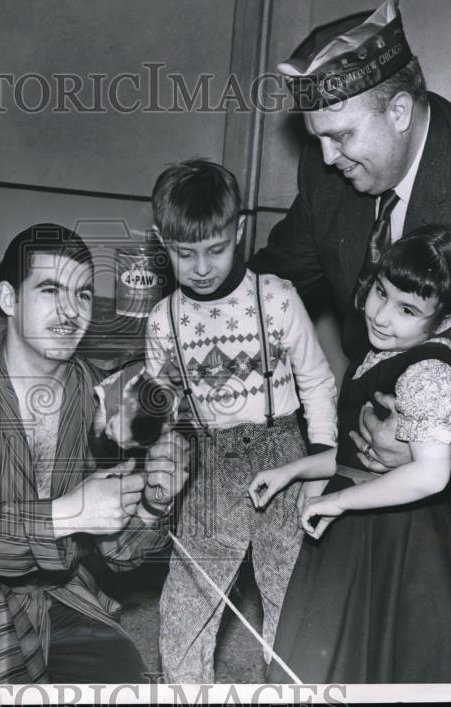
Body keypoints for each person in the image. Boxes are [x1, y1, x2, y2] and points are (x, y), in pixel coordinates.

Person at [249, 0, 451, 681]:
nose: (325, 158)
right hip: (370, 477)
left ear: (400, 111)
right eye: (317, 138)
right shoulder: (330, 177)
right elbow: (274, 280)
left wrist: (437, 440)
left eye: (342, 137)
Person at [0, 223, 191, 685]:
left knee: (128, 684)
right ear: (8, 297)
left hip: (55, 593)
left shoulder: (100, 399)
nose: (70, 311)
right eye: (50, 290)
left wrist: (155, 502)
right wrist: (65, 514)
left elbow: (120, 554)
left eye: (83, 295)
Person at [253, 225, 451, 682]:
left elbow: (430, 476)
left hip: (394, 533)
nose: (381, 316)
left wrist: (336, 501)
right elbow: (347, 455)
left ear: (444, 323)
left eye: (407, 310)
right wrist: (292, 470)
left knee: (372, 655)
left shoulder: (428, 374)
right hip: (356, 516)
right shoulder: (384, 350)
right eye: (380, 292)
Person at [142, 160, 337, 683]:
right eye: (186, 254)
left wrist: (318, 465)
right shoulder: (163, 321)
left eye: (217, 249)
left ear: (240, 231)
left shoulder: (276, 298)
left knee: (288, 593)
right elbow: (166, 406)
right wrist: (146, 414)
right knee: (186, 601)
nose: (202, 267)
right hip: (209, 461)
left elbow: (318, 382)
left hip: (284, 453)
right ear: (163, 242)